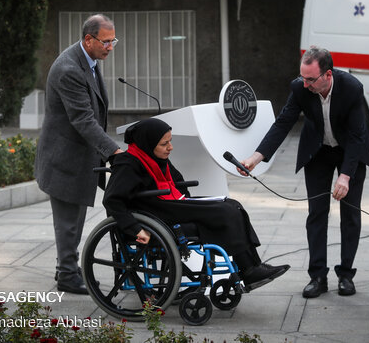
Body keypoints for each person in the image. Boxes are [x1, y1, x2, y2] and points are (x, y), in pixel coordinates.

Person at [240, 46, 369, 298]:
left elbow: (359, 135)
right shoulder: (300, 88)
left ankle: (346, 274)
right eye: (302, 77)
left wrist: (345, 176)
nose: (305, 84)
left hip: (350, 152)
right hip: (318, 152)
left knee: (351, 214)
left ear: (328, 75)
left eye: (310, 79)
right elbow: (283, 123)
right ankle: (317, 276)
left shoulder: (351, 88)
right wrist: (255, 158)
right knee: (316, 213)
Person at [103, 118, 290, 291]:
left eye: (170, 141)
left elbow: (178, 182)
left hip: (169, 205)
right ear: (148, 143)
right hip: (156, 213)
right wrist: (135, 229)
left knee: (233, 206)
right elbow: (112, 200)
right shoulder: (128, 164)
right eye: (164, 143)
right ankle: (249, 271)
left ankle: (252, 267)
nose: (170, 147)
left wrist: (189, 203)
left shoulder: (154, 157)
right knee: (225, 212)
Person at [35, 14, 123, 295]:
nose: (110, 47)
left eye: (113, 41)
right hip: (64, 158)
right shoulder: (69, 69)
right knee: (68, 222)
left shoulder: (90, 60)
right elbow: (84, 119)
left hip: (78, 156)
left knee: (74, 219)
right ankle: (68, 276)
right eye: (106, 42)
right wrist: (114, 151)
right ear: (89, 39)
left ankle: (68, 267)